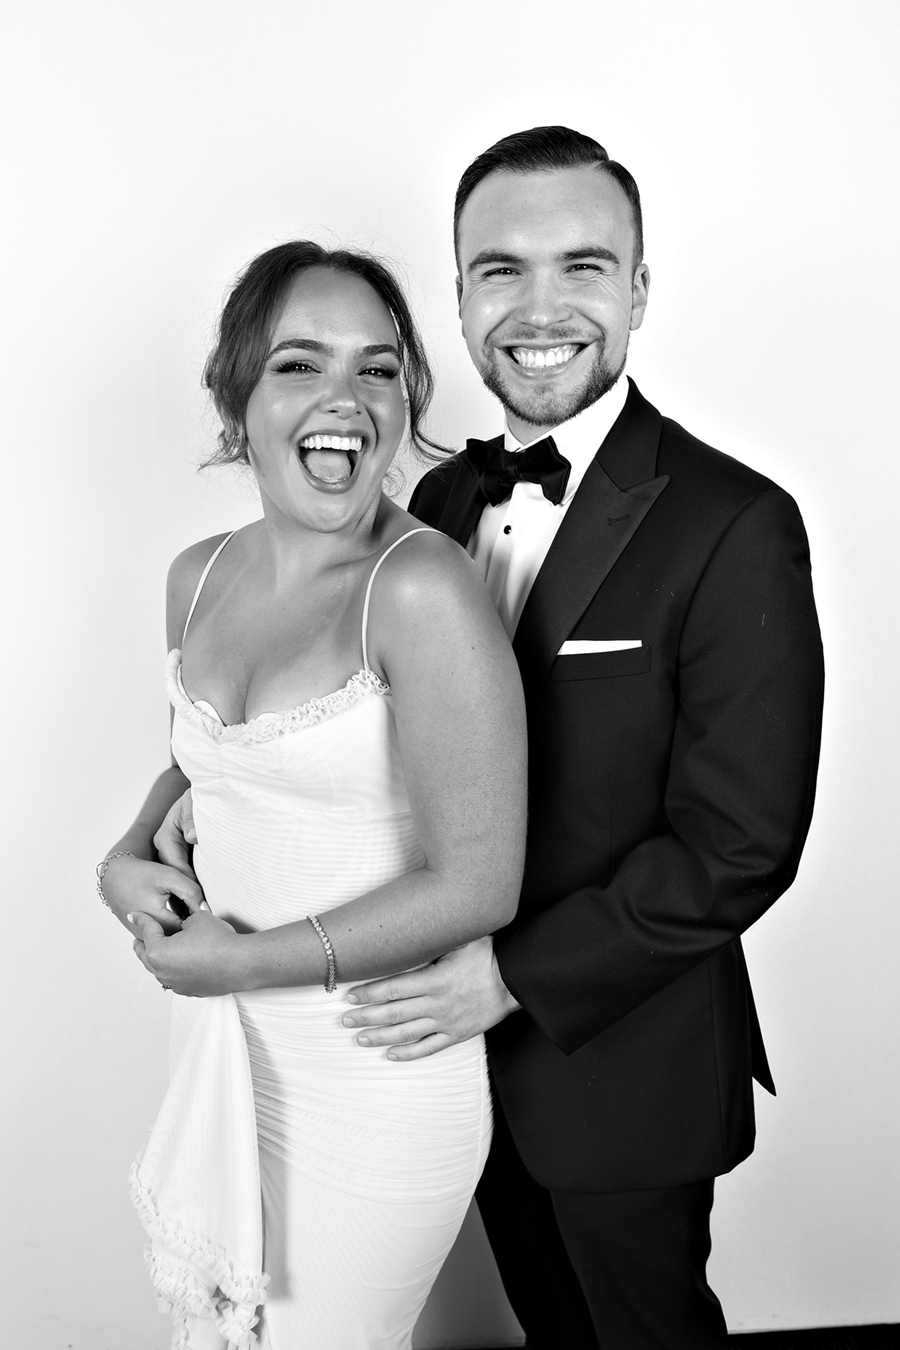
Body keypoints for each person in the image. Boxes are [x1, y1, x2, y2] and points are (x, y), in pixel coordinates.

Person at [339, 127, 825, 1348]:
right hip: (454, 1070)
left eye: (584, 266)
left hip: (624, 1062)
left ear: (640, 289)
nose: (540, 308)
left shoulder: (737, 522)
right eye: (501, 269)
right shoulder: (438, 501)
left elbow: (740, 845)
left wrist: (508, 979)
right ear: (460, 295)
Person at [95, 241, 527, 1349]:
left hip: (373, 1079)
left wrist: (238, 962)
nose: (346, 398)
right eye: (300, 363)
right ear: (235, 397)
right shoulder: (197, 575)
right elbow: (205, 767)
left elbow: (480, 884)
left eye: (377, 369)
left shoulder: (420, 589)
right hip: (228, 1050)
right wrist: (126, 853)